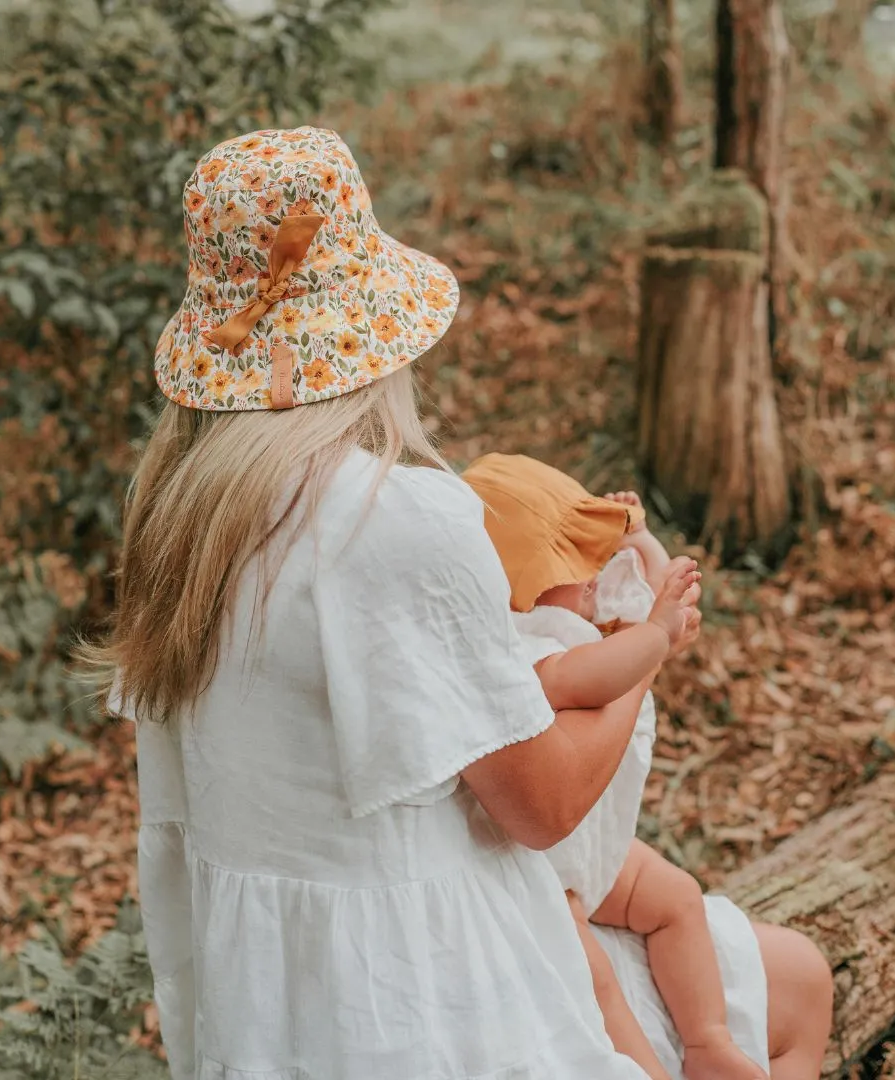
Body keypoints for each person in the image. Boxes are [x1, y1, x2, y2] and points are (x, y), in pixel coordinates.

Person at [91, 126, 832, 1080]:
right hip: (446, 1000)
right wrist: (646, 651)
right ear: (367, 330)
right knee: (800, 982)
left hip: (277, 1015)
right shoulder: (395, 518)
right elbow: (545, 806)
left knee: (773, 974)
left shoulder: (176, 518)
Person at [462, 454, 834, 1080]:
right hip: (542, 877)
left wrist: (637, 540)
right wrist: (654, 637)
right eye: (571, 558)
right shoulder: (523, 653)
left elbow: (665, 599)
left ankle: (708, 1038)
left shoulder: (586, 622)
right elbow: (595, 674)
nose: (591, 573)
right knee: (595, 977)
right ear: (517, 589)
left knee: (677, 897)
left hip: (595, 847)